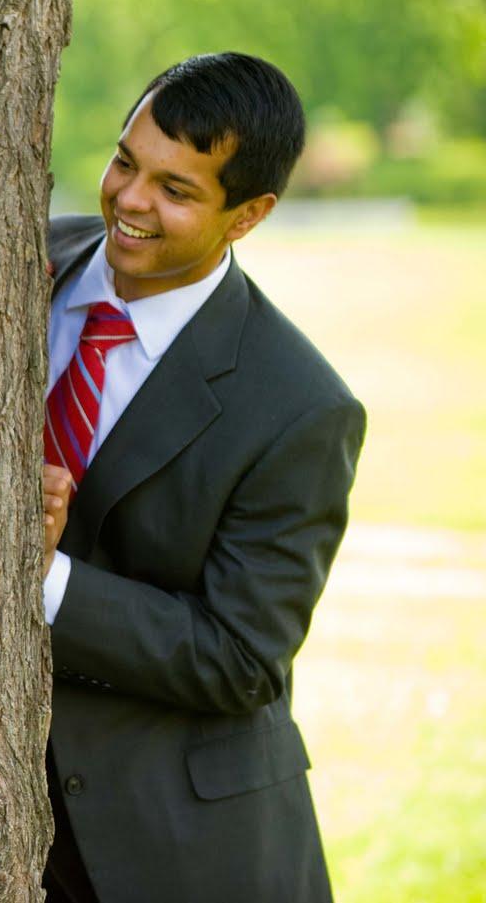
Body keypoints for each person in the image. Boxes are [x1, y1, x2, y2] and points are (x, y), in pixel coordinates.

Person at [38, 54, 365, 902]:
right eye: (125, 162)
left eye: (177, 190)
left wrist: (40, 577)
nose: (132, 201)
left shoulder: (299, 406)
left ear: (248, 215)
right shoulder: (19, 266)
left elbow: (242, 656)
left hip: (174, 844)